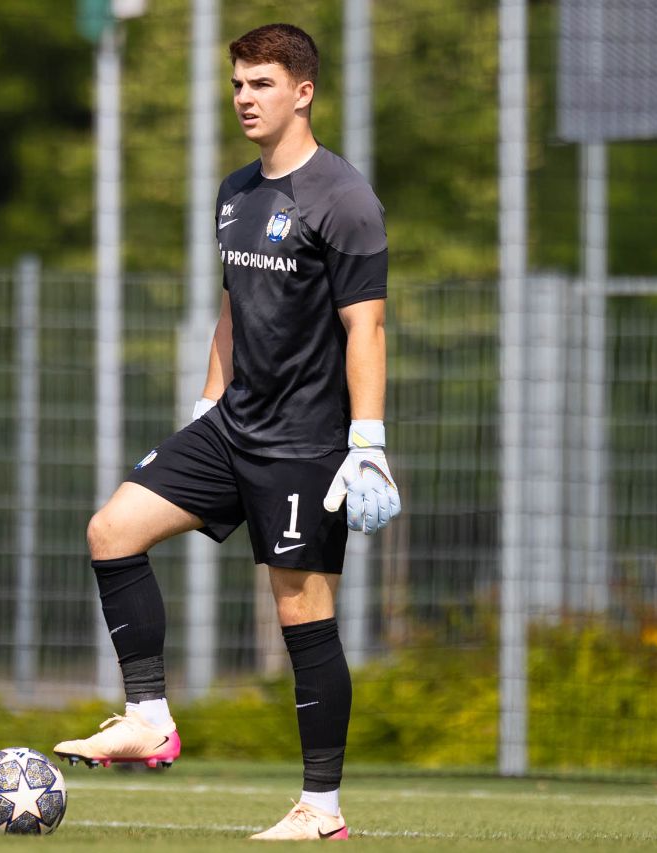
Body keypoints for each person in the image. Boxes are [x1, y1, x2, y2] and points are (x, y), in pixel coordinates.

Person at [54, 22, 400, 841]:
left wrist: (367, 439)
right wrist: (206, 406)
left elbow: (367, 327)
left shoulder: (344, 197)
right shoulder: (236, 191)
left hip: (304, 445)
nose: (244, 97)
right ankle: (148, 718)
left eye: (262, 83)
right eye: (239, 83)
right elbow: (233, 308)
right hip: (233, 423)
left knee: (302, 614)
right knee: (112, 530)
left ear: (303, 92)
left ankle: (321, 808)